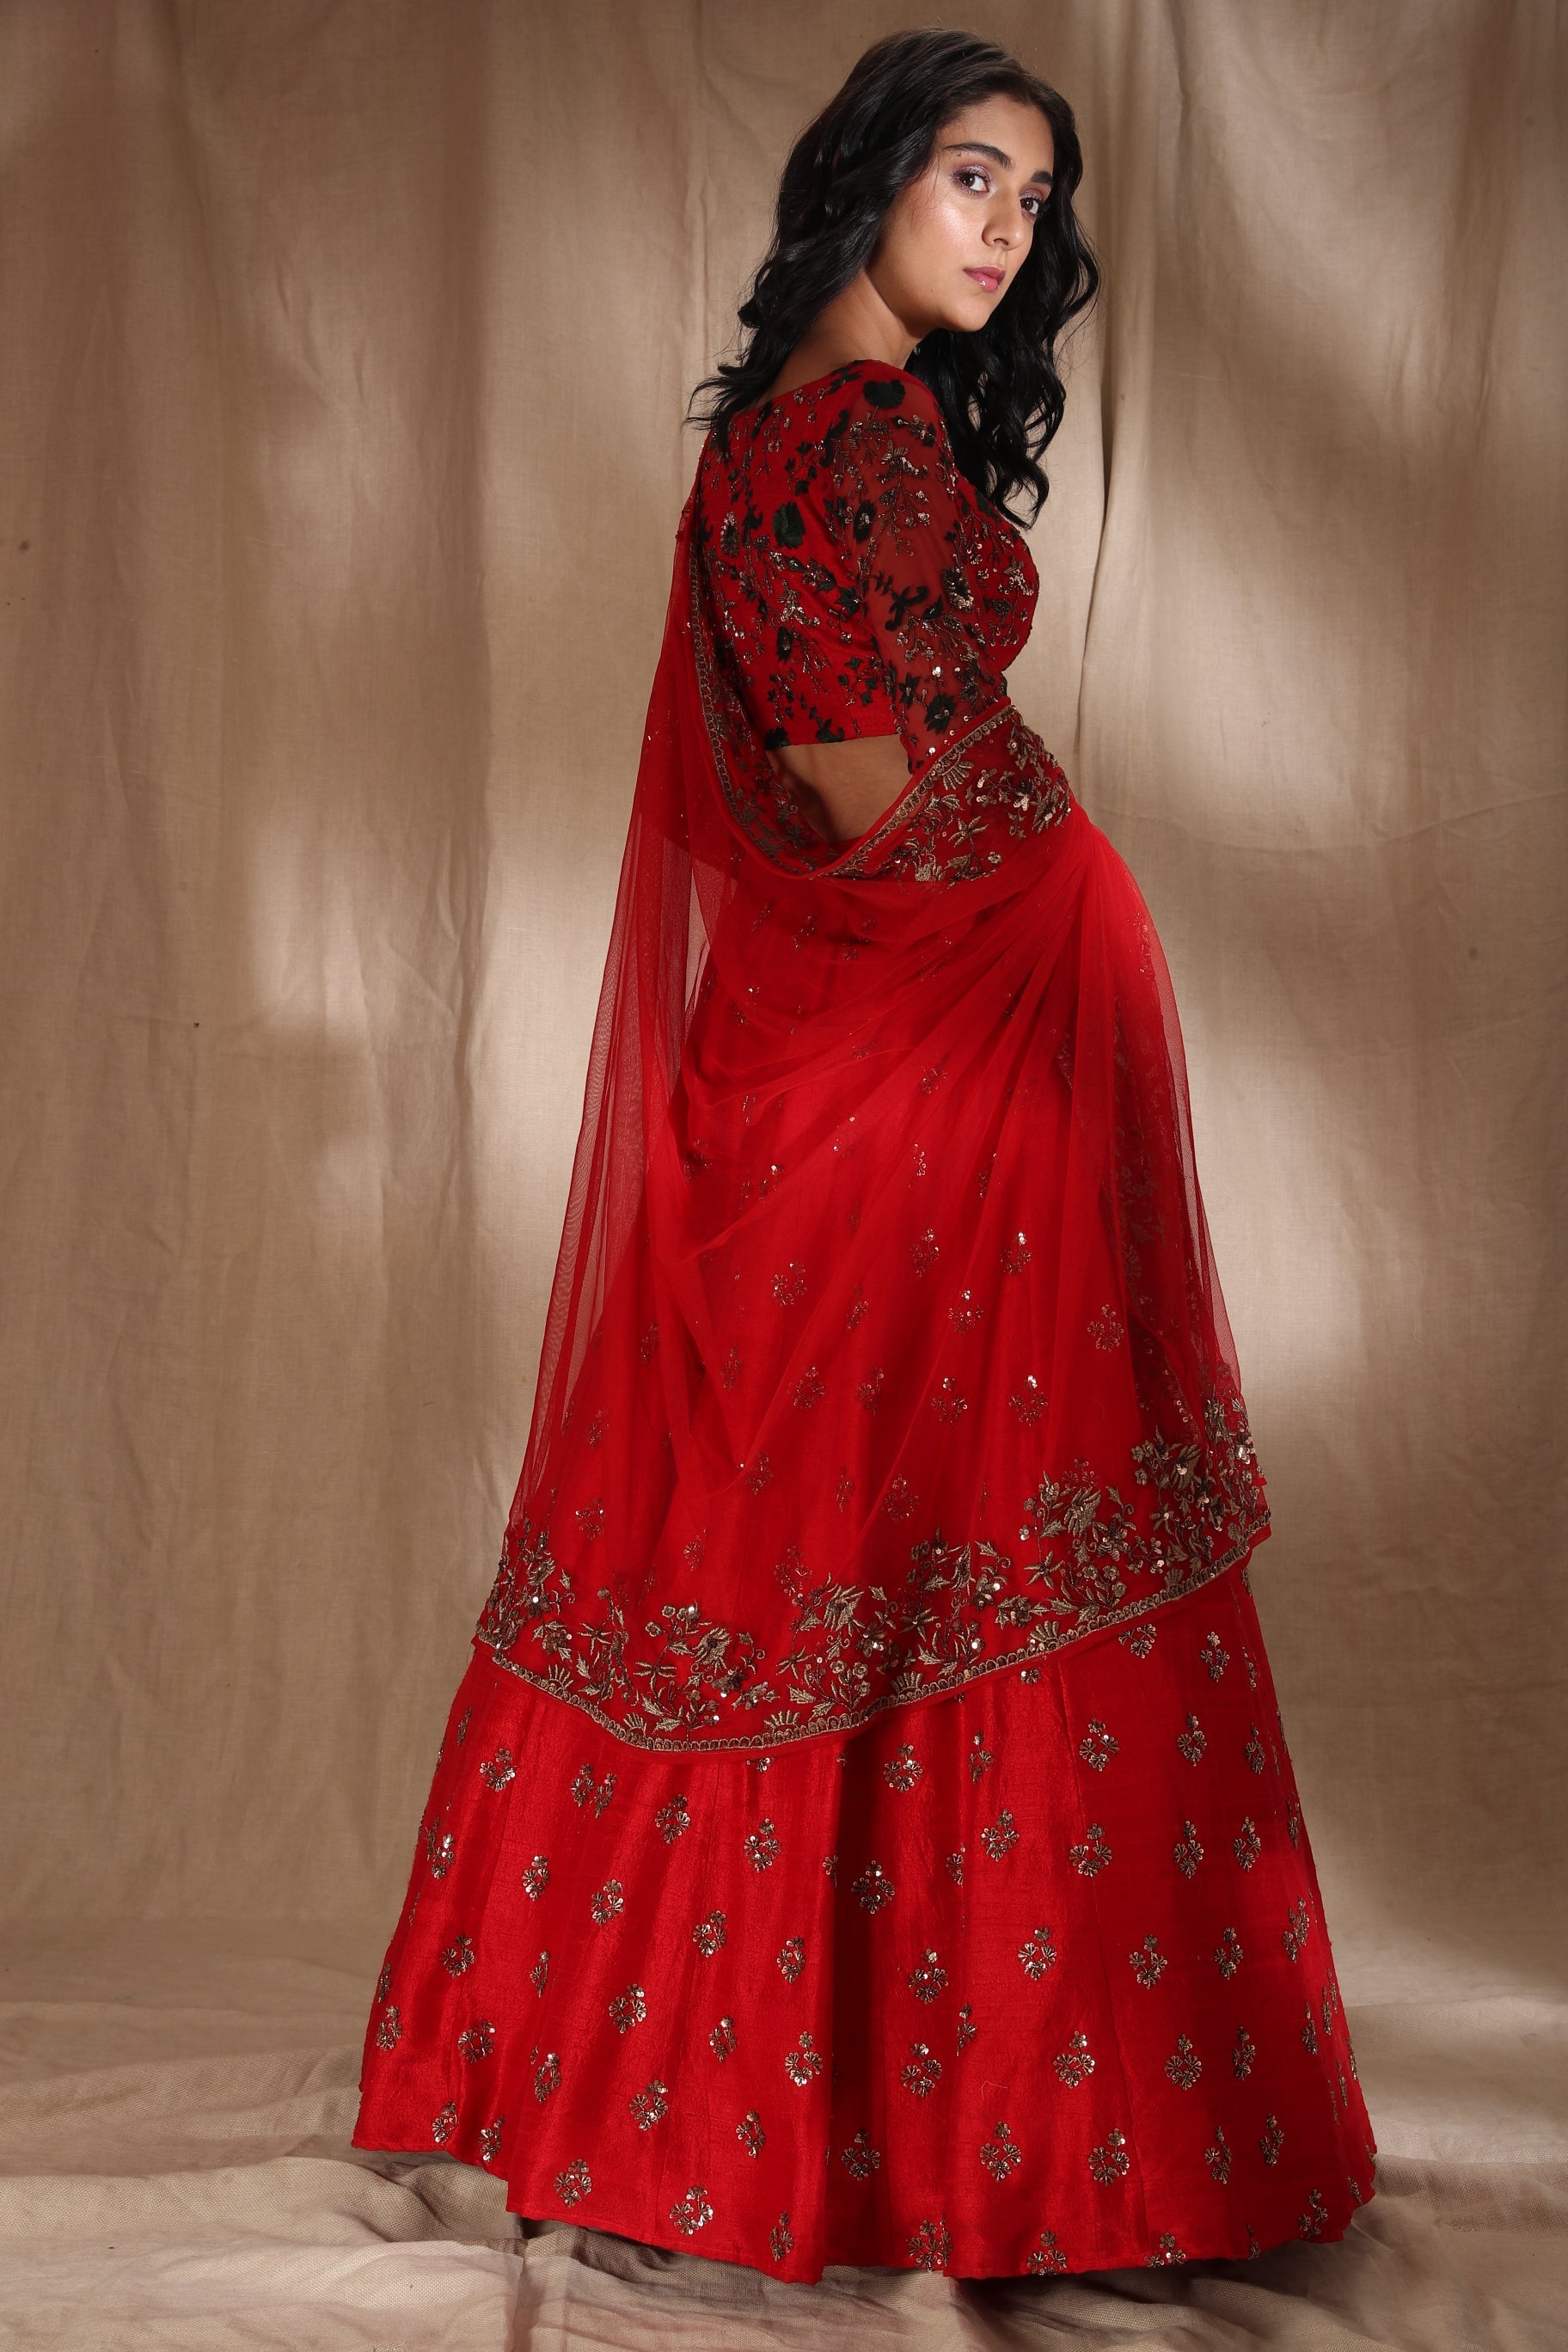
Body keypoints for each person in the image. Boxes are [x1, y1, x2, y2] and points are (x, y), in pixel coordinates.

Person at [351, 28, 1376, 2282]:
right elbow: (865, 783)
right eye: (970, 176)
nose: (1007, 228)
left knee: (850, 1536)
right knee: (937, 1530)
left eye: (1036, 196)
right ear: (869, 176)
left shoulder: (783, 435)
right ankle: (1005, 2145)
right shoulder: (853, 439)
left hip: (930, 1019)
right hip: (950, 1029)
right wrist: (1025, 897)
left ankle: (774, 2105)